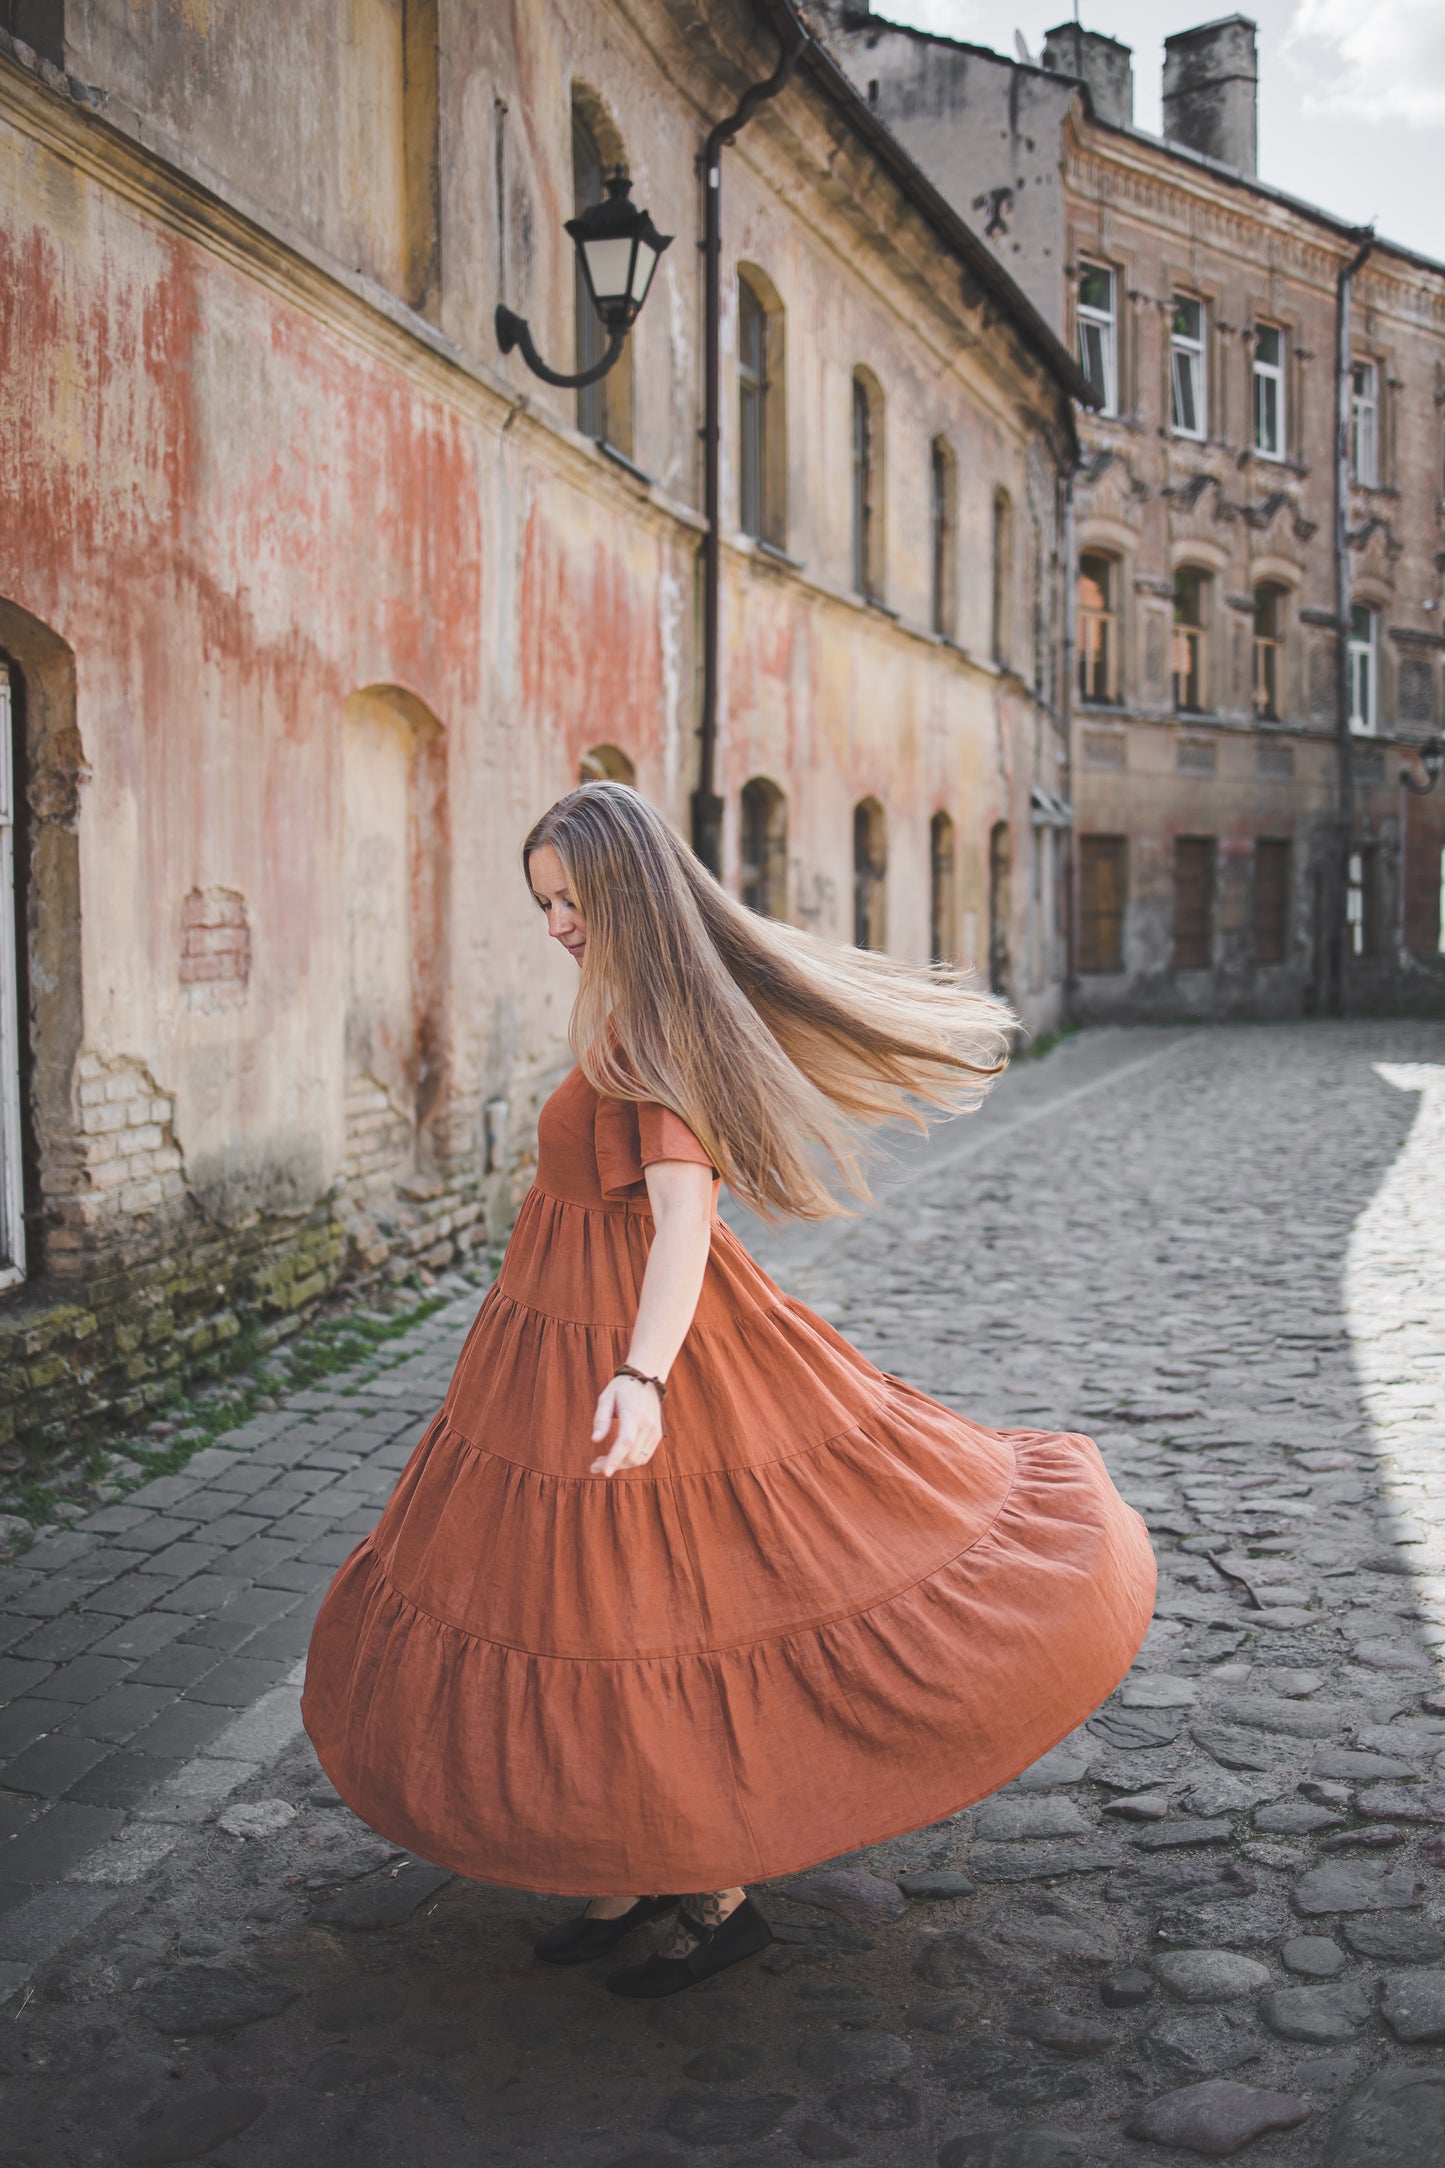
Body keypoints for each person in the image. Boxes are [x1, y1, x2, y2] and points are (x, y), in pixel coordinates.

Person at [303, 782, 1155, 1999]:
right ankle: (629, 1867)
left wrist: (643, 1375)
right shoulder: (626, 1009)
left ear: (628, 892)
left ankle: (707, 1893)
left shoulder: (650, 1036)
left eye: (571, 899)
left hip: (627, 1353)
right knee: (591, 1613)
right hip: (553, 1347)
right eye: (543, 902)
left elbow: (684, 1220)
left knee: (661, 1612)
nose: (555, 922)